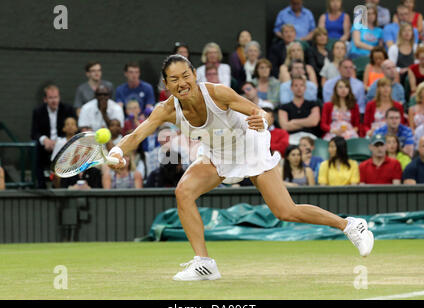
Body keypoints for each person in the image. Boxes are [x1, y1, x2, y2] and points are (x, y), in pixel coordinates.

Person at [107, 54, 374, 280]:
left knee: (286, 211)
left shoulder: (217, 92)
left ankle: (351, 226)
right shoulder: (166, 109)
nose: (182, 83)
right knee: (183, 192)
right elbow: (137, 134)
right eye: (174, 79)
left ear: (194, 75)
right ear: (166, 84)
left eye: (186, 75)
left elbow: (260, 112)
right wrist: (117, 151)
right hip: (216, 153)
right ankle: (204, 263)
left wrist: (262, 120)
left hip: (249, 145)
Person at [30, 85, 76, 188]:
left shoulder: (68, 109)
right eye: (51, 98)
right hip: (45, 146)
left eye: (56, 97)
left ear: (59, 98)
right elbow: (34, 133)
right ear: (45, 99)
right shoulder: (38, 111)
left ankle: (66, 184)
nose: (54, 101)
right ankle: (41, 185)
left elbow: (72, 129)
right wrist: (44, 140)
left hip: (62, 143)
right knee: (36, 149)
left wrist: (58, 142)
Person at [279, 75, 321, 144]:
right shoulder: (284, 107)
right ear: (291, 88)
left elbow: (314, 122)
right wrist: (307, 122)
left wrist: (294, 121)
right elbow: (285, 126)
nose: (299, 88)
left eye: (301, 85)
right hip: (292, 137)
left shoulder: (313, 104)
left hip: (310, 137)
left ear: (305, 88)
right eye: (296, 85)